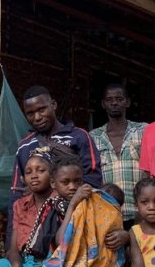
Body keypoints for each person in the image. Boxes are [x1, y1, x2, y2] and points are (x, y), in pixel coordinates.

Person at [10, 86, 102, 236]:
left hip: (74, 222)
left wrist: (53, 191)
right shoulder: (24, 147)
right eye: (30, 113)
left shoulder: (79, 137)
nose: (37, 117)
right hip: (35, 229)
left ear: (53, 105)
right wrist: (11, 246)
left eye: (42, 109)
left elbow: (94, 179)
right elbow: (16, 194)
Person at [90, 83, 147, 228]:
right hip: (107, 213)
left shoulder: (143, 130)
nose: (114, 102)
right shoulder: (93, 137)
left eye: (119, 99)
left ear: (127, 102)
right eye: (109, 99)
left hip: (141, 213)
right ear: (103, 104)